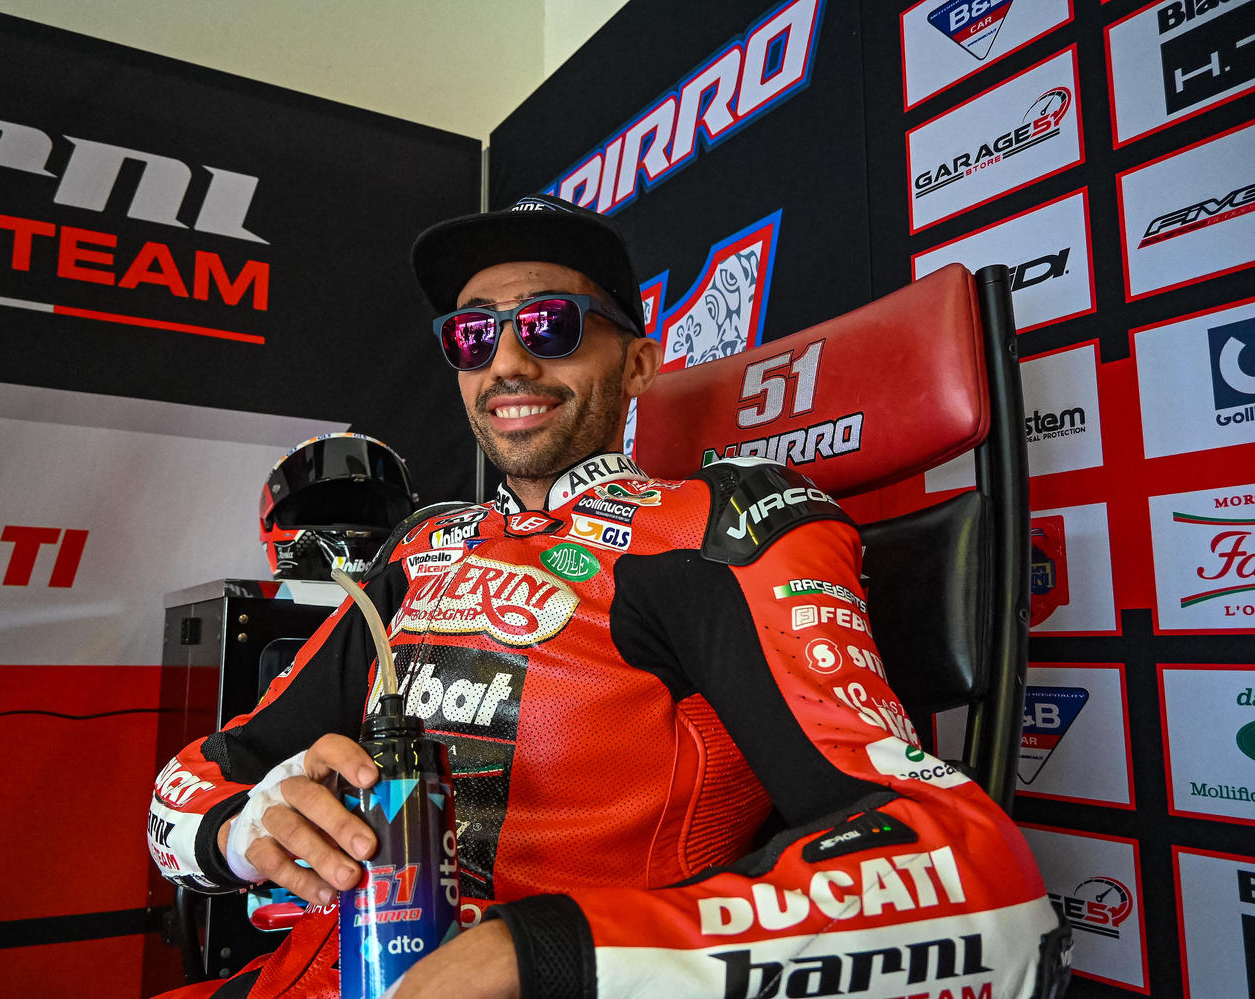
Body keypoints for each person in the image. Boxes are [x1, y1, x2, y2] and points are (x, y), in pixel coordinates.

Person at [148, 195, 1070, 999]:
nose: (507, 362)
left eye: (550, 324)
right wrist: (242, 828)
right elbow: (198, 780)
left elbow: (979, 888)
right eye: (474, 335)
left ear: (636, 364)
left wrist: (540, 952)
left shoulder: (715, 529)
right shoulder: (423, 546)